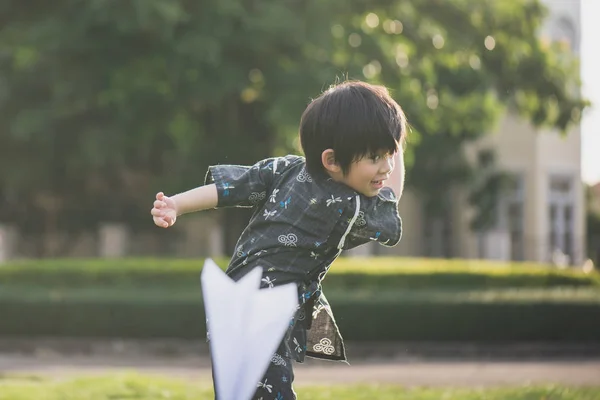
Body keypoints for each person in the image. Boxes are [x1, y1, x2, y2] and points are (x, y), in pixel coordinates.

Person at [150, 80, 408, 399]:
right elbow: (390, 197)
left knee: (240, 391)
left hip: (232, 295)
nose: (387, 167)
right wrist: (399, 144)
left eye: (390, 154)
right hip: (264, 309)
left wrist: (176, 203)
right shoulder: (348, 206)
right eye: (375, 157)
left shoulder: (285, 168)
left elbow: (230, 189)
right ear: (331, 161)